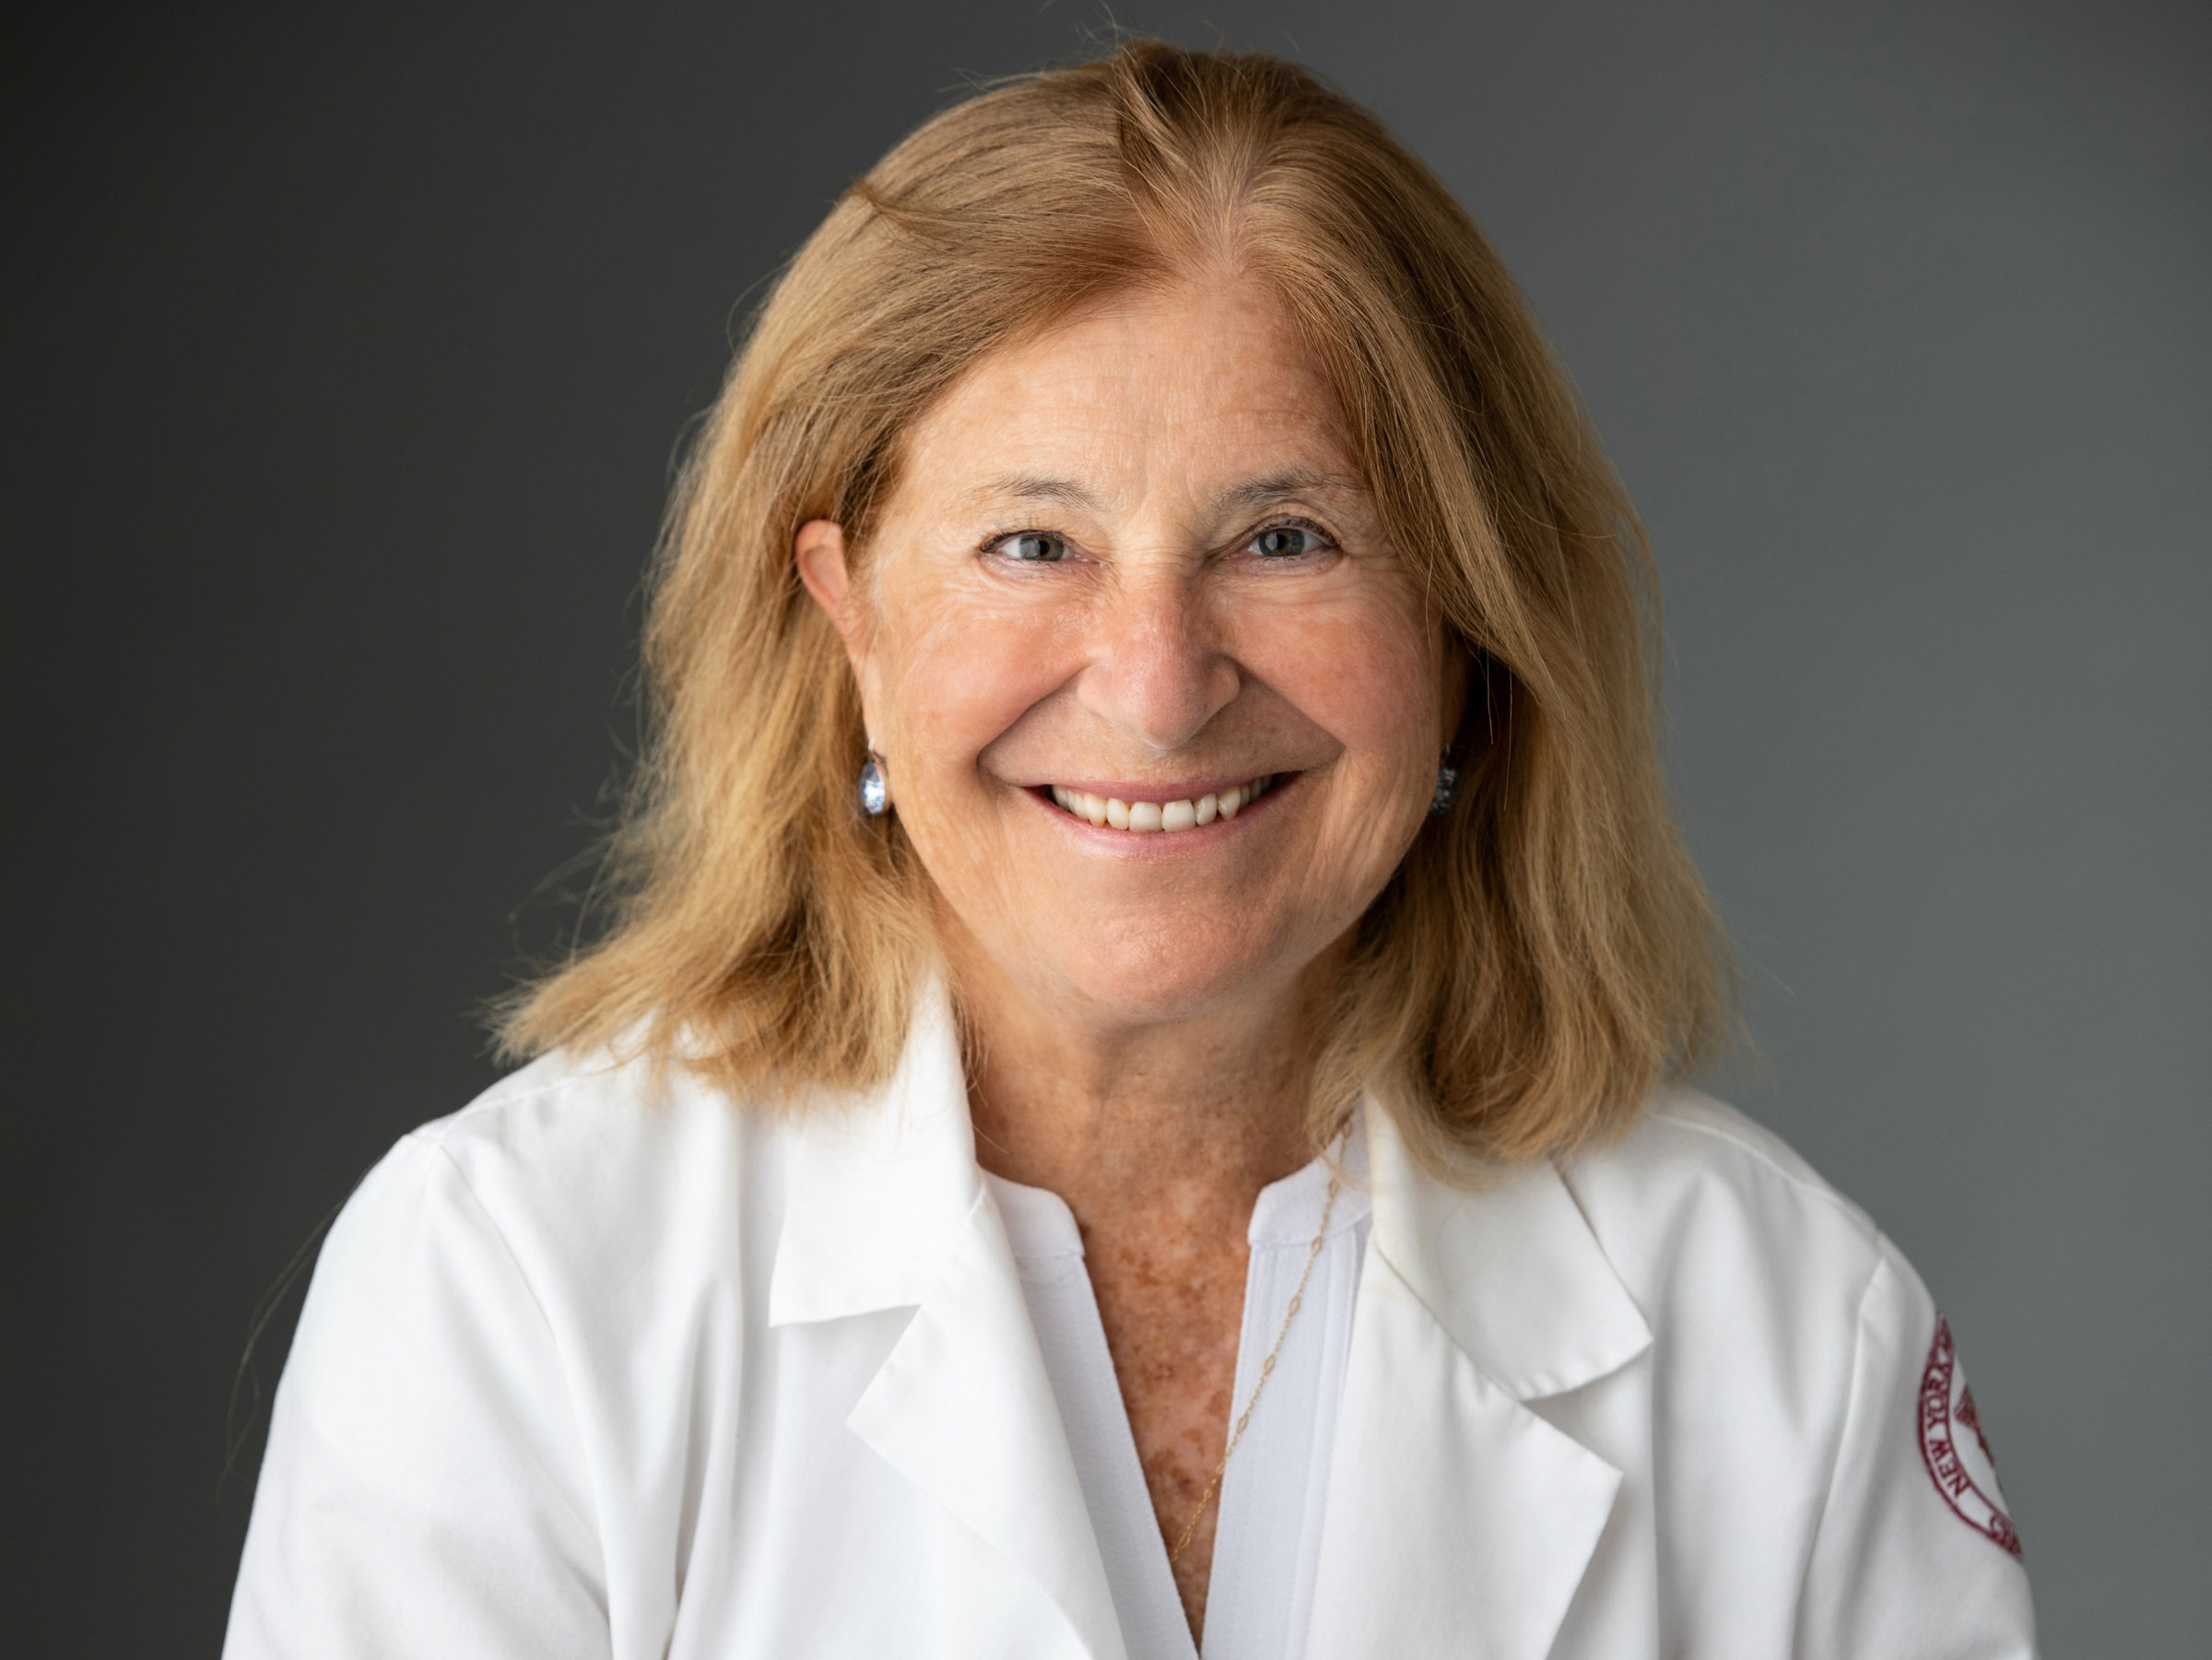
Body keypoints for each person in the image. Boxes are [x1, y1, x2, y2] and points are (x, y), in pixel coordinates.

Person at [223, 42, 2038, 1660]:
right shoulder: (511, 1286)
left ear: (1472, 628)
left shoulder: (1781, 1329)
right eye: (1031, 545)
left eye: (1289, 537)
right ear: (845, 618)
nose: (1160, 688)